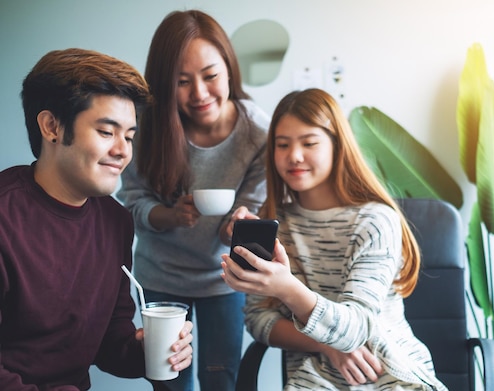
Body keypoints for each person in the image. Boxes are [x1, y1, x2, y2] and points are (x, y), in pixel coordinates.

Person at [221, 88, 449, 390]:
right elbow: (258, 320)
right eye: (282, 144)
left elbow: (356, 331)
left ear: (337, 146)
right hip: (313, 380)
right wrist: (325, 345)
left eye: (309, 142)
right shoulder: (278, 225)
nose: (295, 156)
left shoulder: (375, 222)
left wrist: (287, 288)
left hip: (390, 375)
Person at [0, 48, 194, 391]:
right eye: (107, 132)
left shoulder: (116, 222)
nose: (123, 151)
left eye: (129, 136)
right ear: (52, 127)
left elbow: (110, 342)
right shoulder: (6, 218)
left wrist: (148, 349)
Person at [117, 9, 269, 391]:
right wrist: (168, 216)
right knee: (170, 382)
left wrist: (240, 226)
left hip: (224, 280)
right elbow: (131, 201)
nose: (199, 93)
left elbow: (255, 207)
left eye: (211, 76)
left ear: (230, 68)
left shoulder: (258, 133)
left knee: (222, 382)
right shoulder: (145, 126)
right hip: (161, 277)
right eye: (182, 82)